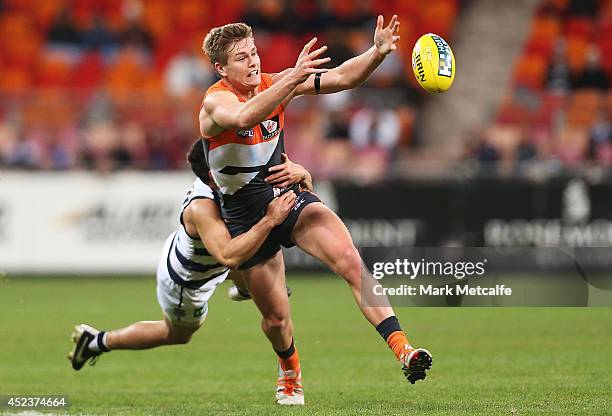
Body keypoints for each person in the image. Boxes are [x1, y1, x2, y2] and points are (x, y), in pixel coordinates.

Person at [199, 18, 432, 406]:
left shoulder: (275, 83)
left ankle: (404, 349)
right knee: (276, 320)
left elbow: (341, 77)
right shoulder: (215, 102)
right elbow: (243, 118)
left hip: (288, 198)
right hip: (247, 220)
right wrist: (291, 80)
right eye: (242, 58)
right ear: (222, 69)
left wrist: (376, 52)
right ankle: (289, 368)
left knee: (350, 261)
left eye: (254, 53)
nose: (253, 62)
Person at [68, 140, 311, 370]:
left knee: (250, 255)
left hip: (216, 257)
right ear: (213, 178)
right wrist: (270, 220)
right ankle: (97, 341)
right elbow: (228, 256)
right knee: (177, 335)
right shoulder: (201, 208)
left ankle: (246, 285)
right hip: (190, 276)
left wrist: (302, 173)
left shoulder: (236, 179)